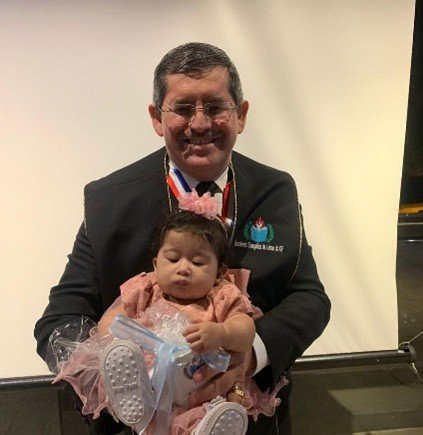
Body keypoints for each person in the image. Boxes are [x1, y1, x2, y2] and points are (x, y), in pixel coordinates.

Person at [35, 42, 331, 434]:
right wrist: (113, 381)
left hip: (246, 419)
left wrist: (250, 355)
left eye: (215, 106)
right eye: (183, 108)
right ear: (157, 118)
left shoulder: (276, 189)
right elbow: (59, 320)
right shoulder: (108, 199)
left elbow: (309, 298)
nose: (200, 123)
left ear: (241, 115)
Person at [52, 197, 286, 434]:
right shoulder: (145, 288)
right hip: (146, 375)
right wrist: (121, 335)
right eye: (173, 259)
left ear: (219, 273)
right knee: (123, 369)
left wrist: (223, 333)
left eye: (197, 262)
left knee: (202, 411)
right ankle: (133, 396)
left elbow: (245, 329)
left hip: (196, 382)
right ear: (156, 264)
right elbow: (112, 319)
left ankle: (204, 428)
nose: (183, 268)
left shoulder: (222, 295)